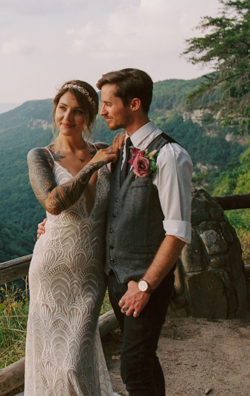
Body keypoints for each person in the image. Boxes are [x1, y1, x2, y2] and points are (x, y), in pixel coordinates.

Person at [25, 80, 123, 396]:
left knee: (75, 359)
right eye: (63, 108)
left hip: (90, 274)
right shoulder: (41, 155)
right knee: (58, 363)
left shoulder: (107, 153)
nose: (68, 117)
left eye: (78, 111)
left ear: (89, 117)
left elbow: (122, 204)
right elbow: (52, 202)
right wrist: (91, 167)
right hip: (51, 270)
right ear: (55, 110)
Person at [97, 68, 192, 396]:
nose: (102, 110)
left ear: (134, 103)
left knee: (133, 366)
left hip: (143, 283)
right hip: (118, 280)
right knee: (144, 360)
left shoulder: (169, 156)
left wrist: (146, 285)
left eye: (109, 103)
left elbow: (177, 233)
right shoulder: (125, 147)